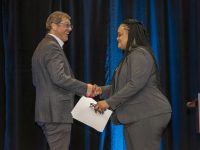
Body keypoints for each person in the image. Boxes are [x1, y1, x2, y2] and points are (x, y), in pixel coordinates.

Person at [94, 19, 172, 150]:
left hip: (148, 114)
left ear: (132, 34)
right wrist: (100, 91)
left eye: (120, 34)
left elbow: (135, 84)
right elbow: (122, 86)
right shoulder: (132, 56)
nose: (117, 38)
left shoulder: (140, 54)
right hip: (138, 116)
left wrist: (108, 103)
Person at [32, 11, 97, 150]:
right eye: (66, 25)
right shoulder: (51, 46)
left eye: (70, 25)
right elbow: (59, 78)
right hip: (56, 114)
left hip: (50, 113)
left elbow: (38, 81)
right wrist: (86, 88)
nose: (70, 29)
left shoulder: (43, 46)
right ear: (53, 26)